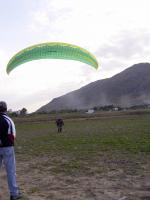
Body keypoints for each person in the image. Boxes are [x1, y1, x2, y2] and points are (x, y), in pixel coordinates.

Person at [0, 101, 22, 200]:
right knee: (10, 171)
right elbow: (12, 135)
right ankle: (14, 193)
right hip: (7, 148)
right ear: (5, 108)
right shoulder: (8, 119)